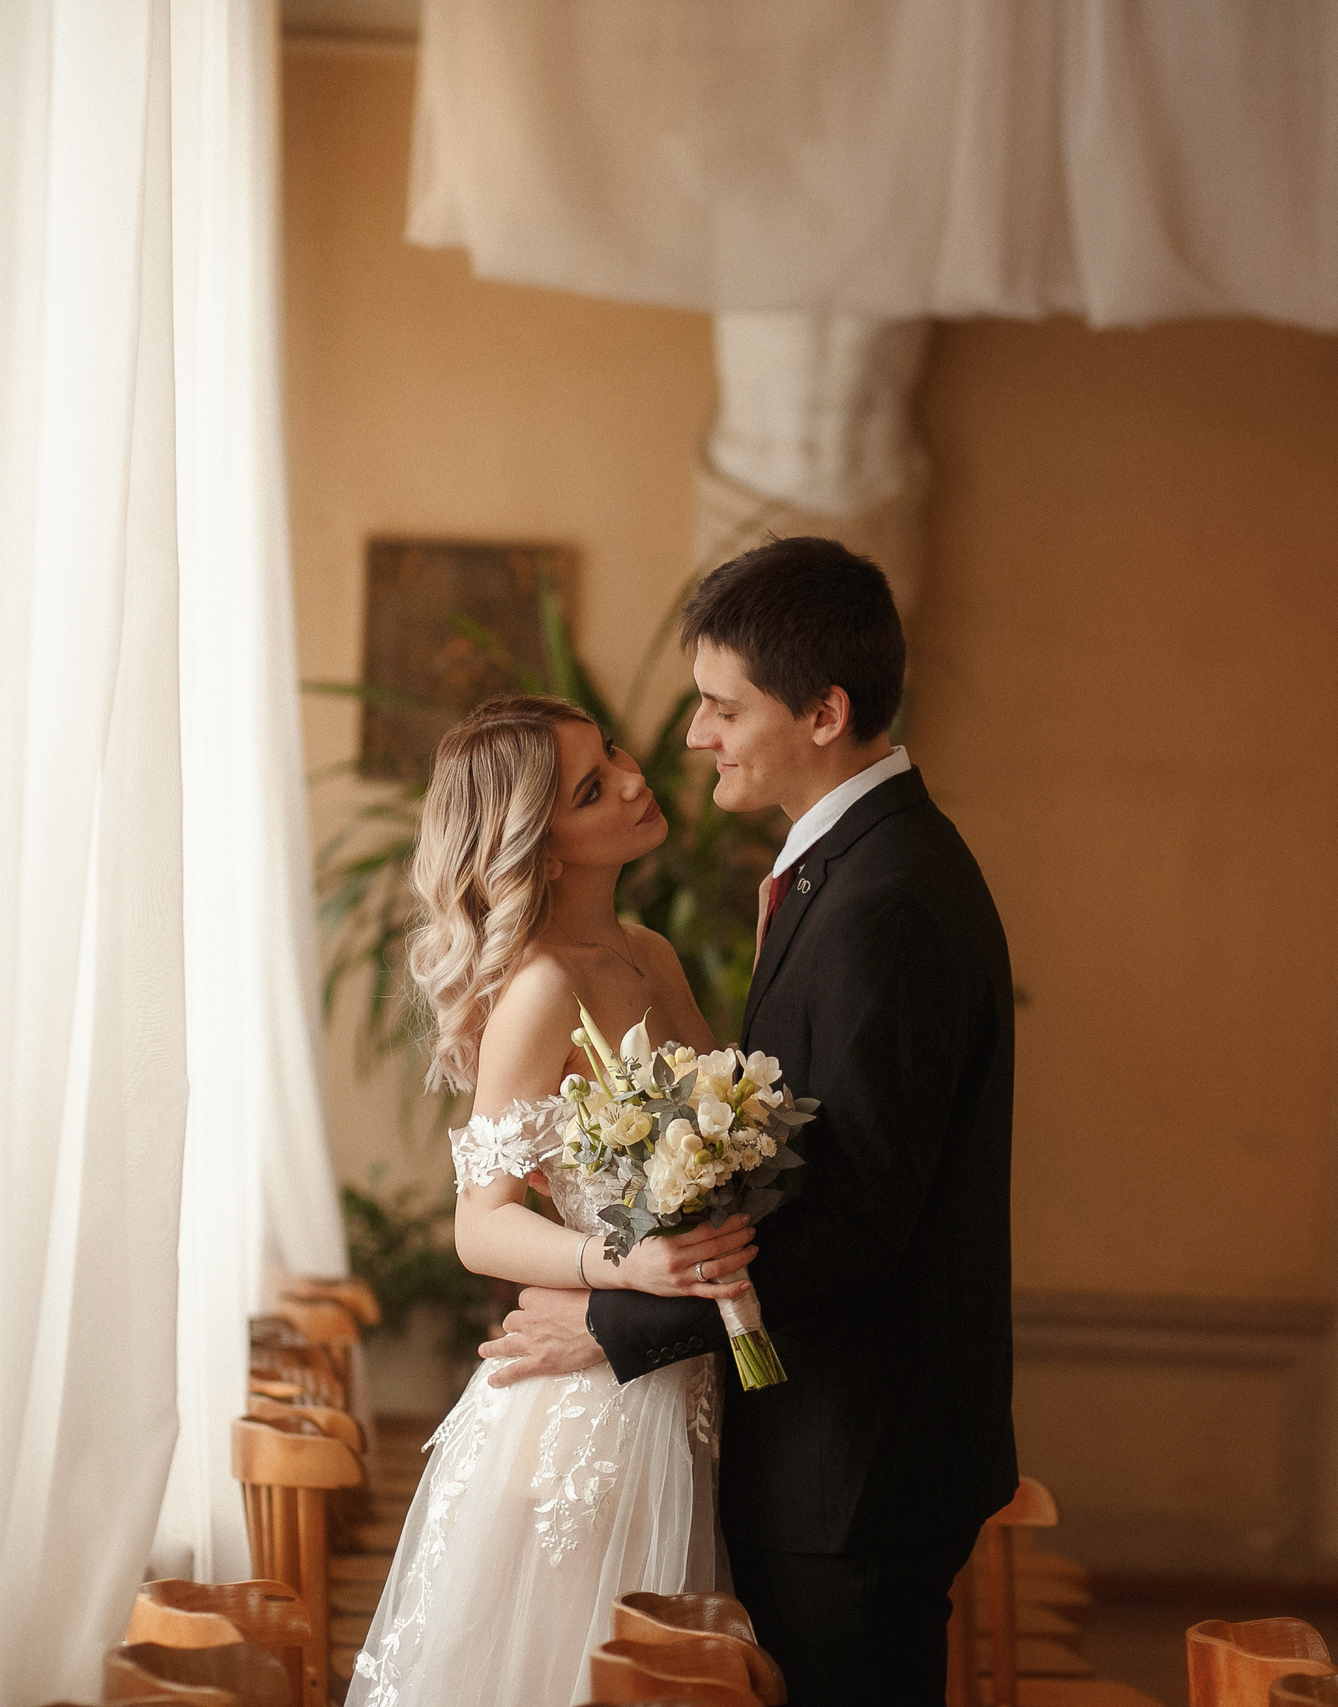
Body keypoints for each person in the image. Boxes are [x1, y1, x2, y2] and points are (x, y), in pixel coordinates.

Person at [479, 537, 1018, 1707]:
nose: (688, 740)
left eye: (721, 707)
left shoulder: (886, 901)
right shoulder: (849, 869)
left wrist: (613, 1326)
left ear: (822, 713)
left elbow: (856, 1223)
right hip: (809, 1443)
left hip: (856, 1465)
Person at [344, 692, 762, 1707]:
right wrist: (628, 1267)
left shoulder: (653, 953)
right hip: (588, 1413)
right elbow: (479, 1224)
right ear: (543, 845)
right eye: (591, 787)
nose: (632, 778)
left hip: (681, 1383)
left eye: (613, 753)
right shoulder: (539, 989)